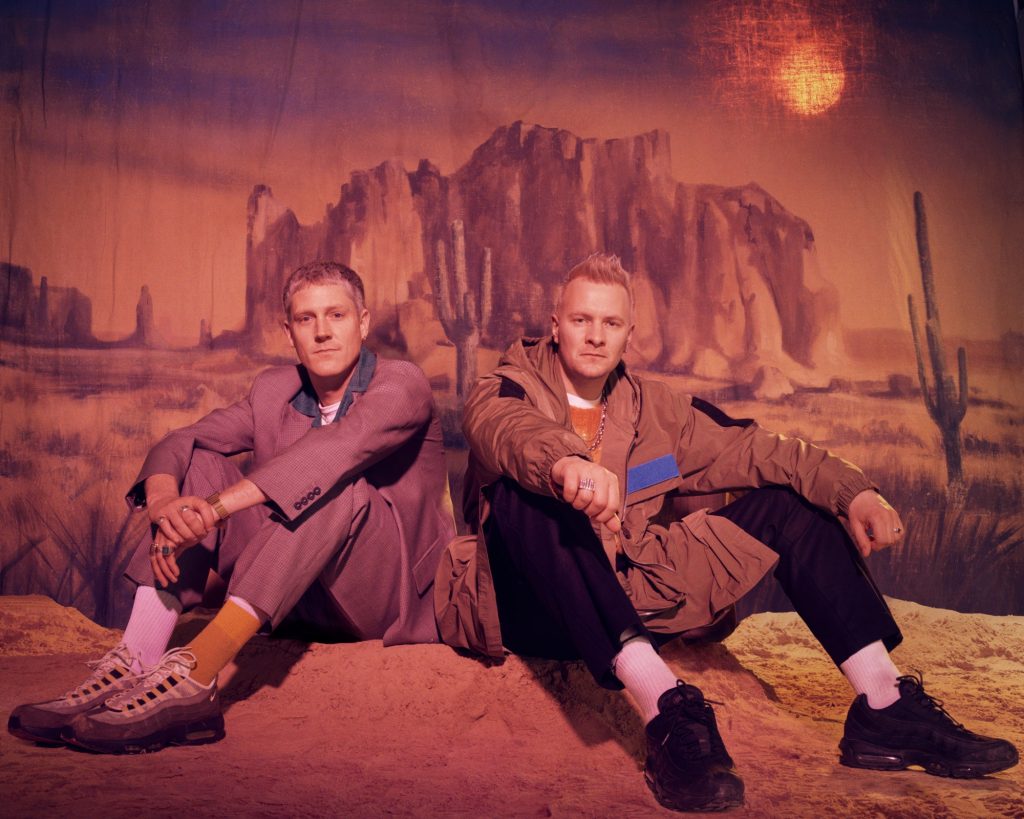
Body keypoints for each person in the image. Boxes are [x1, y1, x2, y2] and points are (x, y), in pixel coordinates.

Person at [438, 253, 1018, 812]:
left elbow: (755, 448)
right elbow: (503, 429)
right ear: (555, 326)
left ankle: (884, 705)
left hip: (627, 590)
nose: (594, 336)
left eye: (610, 323)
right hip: (527, 605)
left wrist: (854, 492)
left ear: (628, 334)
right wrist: (565, 464)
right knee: (529, 494)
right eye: (581, 320)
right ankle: (667, 710)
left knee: (791, 503)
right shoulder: (507, 387)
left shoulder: (655, 411)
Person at [9, 261, 455, 754]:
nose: (322, 332)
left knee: (334, 483)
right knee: (200, 464)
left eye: (337, 315)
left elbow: (336, 451)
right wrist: (165, 505)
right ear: (289, 332)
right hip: (295, 596)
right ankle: (133, 660)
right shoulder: (275, 390)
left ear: (363, 322)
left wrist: (216, 508)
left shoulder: (402, 383)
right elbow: (184, 439)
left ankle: (194, 679)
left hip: (383, 596)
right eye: (306, 319)